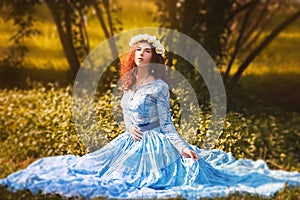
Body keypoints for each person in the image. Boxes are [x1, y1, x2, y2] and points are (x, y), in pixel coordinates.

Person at [0, 34, 299, 200]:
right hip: (128, 140)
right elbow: (125, 110)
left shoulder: (159, 85)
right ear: (133, 56)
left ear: (155, 58)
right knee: (89, 169)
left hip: (154, 142)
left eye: (147, 51)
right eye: (138, 50)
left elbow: (167, 124)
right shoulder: (129, 82)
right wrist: (129, 125)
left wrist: (182, 148)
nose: (141, 54)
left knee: (145, 181)